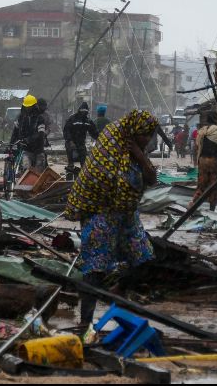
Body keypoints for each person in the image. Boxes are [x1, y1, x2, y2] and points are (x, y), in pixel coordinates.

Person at [65, 109, 158, 328]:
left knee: (144, 258)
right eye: (144, 134)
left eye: (150, 134)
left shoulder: (136, 151)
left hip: (127, 215)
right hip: (101, 214)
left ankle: (118, 290)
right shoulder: (111, 143)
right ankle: (85, 321)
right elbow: (108, 181)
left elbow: (152, 178)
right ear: (134, 131)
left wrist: (139, 154)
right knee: (95, 267)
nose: (147, 138)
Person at [190, 113, 217, 211]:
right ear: (216, 119)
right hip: (213, 162)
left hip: (202, 161)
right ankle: (211, 209)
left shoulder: (202, 131)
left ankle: (193, 205)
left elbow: (197, 146)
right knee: (214, 185)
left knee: (201, 185)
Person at [10, 94, 48, 173]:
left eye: (29, 107)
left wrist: (28, 140)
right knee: (26, 171)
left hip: (38, 149)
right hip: (26, 149)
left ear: (34, 106)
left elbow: (41, 134)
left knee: (39, 173)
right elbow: (15, 132)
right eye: (26, 107)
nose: (28, 109)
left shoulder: (40, 118)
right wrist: (11, 145)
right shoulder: (21, 118)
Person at [63, 102, 99, 174]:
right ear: (79, 110)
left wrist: (100, 139)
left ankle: (83, 173)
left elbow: (94, 132)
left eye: (86, 112)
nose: (84, 113)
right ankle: (70, 166)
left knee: (84, 161)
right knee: (71, 151)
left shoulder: (87, 121)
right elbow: (66, 130)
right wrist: (70, 141)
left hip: (81, 143)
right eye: (83, 111)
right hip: (71, 142)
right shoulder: (72, 118)